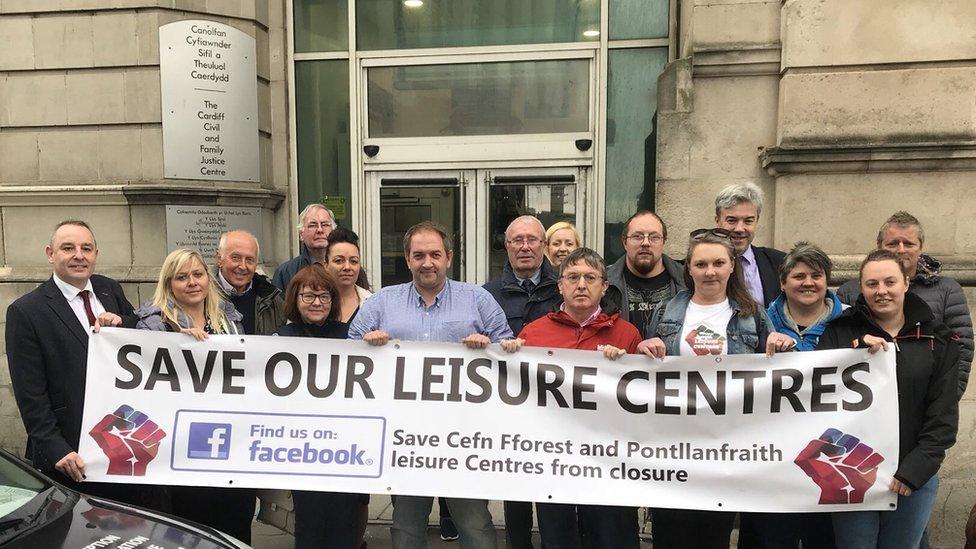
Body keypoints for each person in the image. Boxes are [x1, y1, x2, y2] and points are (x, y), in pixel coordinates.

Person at [349, 221, 512, 549]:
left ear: (448, 257)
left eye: (435, 254)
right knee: (406, 526)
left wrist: (490, 347)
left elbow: (508, 347)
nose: (427, 262)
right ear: (407, 259)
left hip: (463, 436)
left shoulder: (476, 299)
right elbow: (349, 350)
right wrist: (367, 344)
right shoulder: (383, 302)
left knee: (475, 525)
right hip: (407, 438)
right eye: (419, 255)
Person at [636, 228, 795, 549]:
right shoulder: (666, 312)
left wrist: (782, 345)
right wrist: (645, 346)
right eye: (701, 264)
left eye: (718, 263)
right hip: (673, 448)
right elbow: (647, 372)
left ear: (732, 266)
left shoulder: (752, 314)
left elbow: (778, 373)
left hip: (727, 448)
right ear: (689, 269)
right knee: (670, 534)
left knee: (714, 535)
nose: (710, 271)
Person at [5, 220, 165, 509]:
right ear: (50, 253)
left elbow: (139, 341)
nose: (79, 255)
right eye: (68, 248)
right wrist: (55, 449)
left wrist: (123, 322)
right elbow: (30, 393)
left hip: (125, 442)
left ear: (95, 253)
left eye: (86, 248)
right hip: (73, 455)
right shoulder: (26, 311)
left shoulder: (109, 289)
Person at [501, 247, 643, 549]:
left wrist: (625, 365)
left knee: (610, 538)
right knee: (557, 538)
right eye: (573, 277)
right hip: (555, 461)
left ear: (604, 287)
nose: (581, 285)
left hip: (608, 463)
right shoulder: (533, 334)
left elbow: (642, 403)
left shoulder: (626, 334)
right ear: (560, 286)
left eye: (591, 277)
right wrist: (508, 359)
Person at [816, 249, 958, 548]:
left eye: (889, 282)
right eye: (871, 284)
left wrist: (914, 471)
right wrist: (850, 356)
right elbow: (816, 401)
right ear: (861, 288)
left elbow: (943, 417)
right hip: (851, 472)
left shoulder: (938, 338)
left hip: (912, 475)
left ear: (906, 283)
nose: (881, 291)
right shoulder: (838, 333)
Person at [134, 248, 251, 542]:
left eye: (198, 275)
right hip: (182, 448)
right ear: (169, 283)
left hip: (230, 446)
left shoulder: (228, 318)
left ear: (208, 279)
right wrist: (174, 345)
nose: (192, 283)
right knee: (191, 530)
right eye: (182, 277)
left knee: (234, 527)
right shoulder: (154, 324)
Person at [742, 242, 845, 548]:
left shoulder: (851, 322)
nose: (808, 283)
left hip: (829, 459)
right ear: (784, 282)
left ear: (827, 281)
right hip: (773, 460)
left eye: (816, 275)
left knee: (823, 539)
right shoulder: (758, 323)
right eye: (799, 276)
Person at [483, 215, 562, 549]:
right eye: (518, 240)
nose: (525, 247)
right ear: (507, 247)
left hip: (557, 410)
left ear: (543, 245)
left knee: (554, 495)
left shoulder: (565, 286)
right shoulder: (488, 294)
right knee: (514, 494)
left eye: (532, 240)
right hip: (509, 410)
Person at [275, 264, 365, 548]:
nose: (317, 303)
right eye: (309, 296)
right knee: (309, 526)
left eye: (324, 296)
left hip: (345, 449)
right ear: (295, 300)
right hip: (304, 450)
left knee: (344, 525)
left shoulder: (350, 337)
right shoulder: (279, 340)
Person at [837, 211, 972, 397]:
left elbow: (962, 348)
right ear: (879, 246)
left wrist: (946, 400)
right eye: (893, 243)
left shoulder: (948, 290)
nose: (901, 250)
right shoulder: (849, 291)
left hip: (926, 402)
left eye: (908, 243)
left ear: (920, 247)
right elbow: (838, 346)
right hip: (865, 401)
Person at [605, 210, 685, 337]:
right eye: (638, 236)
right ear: (625, 242)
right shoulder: (604, 283)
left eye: (654, 237)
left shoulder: (687, 281)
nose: (646, 243)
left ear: (663, 242)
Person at [714, 182, 785, 307]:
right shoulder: (699, 267)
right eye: (732, 220)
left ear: (757, 221)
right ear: (717, 221)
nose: (739, 229)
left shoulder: (780, 262)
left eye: (748, 221)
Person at [215, 230, 285, 336]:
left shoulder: (273, 301)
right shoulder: (201, 297)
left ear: (256, 264)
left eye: (249, 260)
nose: (243, 266)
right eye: (235, 258)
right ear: (219, 259)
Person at [272, 204, 336, 291]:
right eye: (312, 225)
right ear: (301, 234)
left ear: (333, 231)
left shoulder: (348, 268)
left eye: (325, 225)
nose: (320, 230)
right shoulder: (285, 273)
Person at [324, 227, 373, 323]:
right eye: (339, 261)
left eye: (353, 261)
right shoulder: (311, 301)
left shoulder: (372, 302)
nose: (347, 267)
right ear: (325, 265)